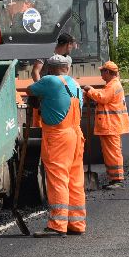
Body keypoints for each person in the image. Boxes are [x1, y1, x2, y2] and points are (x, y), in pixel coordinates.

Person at [27, 53, 86, 236]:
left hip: (58, 136)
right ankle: (76, 224)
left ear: (50, 69)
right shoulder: (75, 84)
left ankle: (57, 224)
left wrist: (36, 70)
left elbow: (30, 90)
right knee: (75, 180)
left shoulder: (50, 81)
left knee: (58, 179)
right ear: (67, 68)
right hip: (76, 134)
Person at [85, 60, 129, 188]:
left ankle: (117, 179)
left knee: (113, 153)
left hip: (112, 125)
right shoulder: (112, 85)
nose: (101, 75)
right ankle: (114, 178)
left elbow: (103, 98)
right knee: (110, 152)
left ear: (108, 72)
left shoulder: (113, 85)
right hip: (111, 125)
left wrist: (90, 90)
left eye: (102, 72)